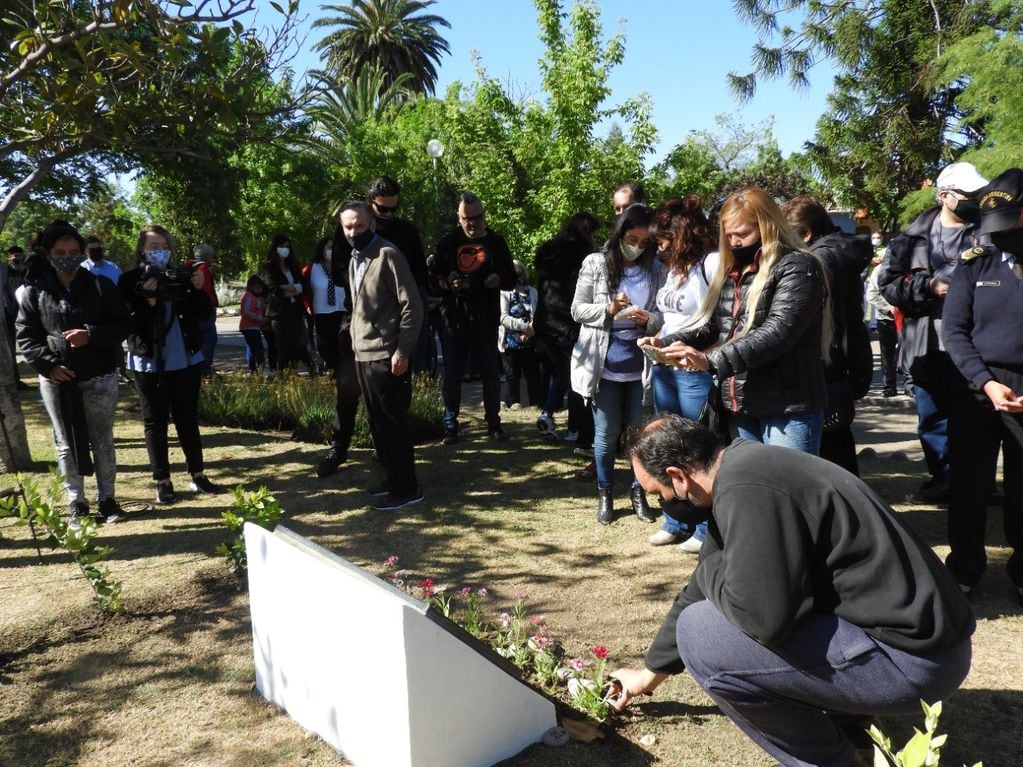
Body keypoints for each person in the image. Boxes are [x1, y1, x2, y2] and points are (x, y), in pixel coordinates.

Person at [611, 414, 976, 767]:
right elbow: (702, 586)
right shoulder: (744, 467)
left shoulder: (747, 489)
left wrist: (709, 567)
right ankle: (852, 722)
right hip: (929, 645)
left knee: (700, 633)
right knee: (709, 608)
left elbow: (762, 619)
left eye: (657, 493)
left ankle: (834, 759)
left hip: (916, 663)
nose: (663, 505)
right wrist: (650, 673)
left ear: (678, 477)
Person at [648, 187, 829, 455]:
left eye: (742, 234)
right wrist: (666, 343)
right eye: (729, 235)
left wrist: (710, 361)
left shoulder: (797, 266)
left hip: (788, 406)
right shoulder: (733, 270)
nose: (734, 242)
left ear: (768, 226)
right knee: (752, 490)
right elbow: (714, 326)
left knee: (787, 491)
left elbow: (777, 333)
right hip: (740, 404)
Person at [878, 162, 988, 504]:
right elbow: (888, 283)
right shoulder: (910, 239)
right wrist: (929, 286)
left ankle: (980, 485)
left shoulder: (988, 232)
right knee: (933, 419)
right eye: (968, 194)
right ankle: (944, 480)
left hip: (977, 346)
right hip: (926, 345)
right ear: (945, 196)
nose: (975, 199)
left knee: (978, 420)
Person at [15, 220, 132, 526]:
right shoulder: (35, 291)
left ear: (81, 252)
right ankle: (75, 502)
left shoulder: (100, 285)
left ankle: (107, 500)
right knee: (64, 442)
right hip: (56, 380)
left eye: (72, 251)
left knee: (102, 439)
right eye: (59, 251)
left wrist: (90, 335)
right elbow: (26, 334)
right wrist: (49, 365)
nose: (66, 256)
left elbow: (123, 323)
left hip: (99, 377)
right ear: (48, 253)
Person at [942, 167, 1023, 603]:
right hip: (977, 391)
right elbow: (954, 331)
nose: (1000, 235)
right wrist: (985, 382)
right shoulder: (977, 264)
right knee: (969, 488)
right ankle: (965, 570)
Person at [571, 203, 664, 525]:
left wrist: (649, 319)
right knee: (606, 435)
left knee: (640, 436)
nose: (636, 247)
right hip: (604, 366)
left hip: (640, 367)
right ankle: (606, 492)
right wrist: (608, 310)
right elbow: (577, 310)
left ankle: (638, 492)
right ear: (620, 233)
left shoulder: (655, 268)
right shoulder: (596, 263)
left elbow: (665, 315)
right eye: (632, 239)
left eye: (643, 242)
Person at [119, 224, 223, 503]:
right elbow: (126, 323)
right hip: (149, 360)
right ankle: (162, 480)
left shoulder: (181, 275)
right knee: (155, 421)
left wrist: (198, 290)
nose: (159, 252)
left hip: (185, 355)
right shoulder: (129, 280)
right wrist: (148, 301)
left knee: (187, 417)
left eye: (164, 247)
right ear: (141, 249)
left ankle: (198, 475)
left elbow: (202, 313)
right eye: (153, 247)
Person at [340, 200, 425, 510]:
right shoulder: (354, 259)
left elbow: (412, 305)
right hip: (362, 354)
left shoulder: (387, 254)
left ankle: (408, 487)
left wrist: (402, 350)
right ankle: (392, 478)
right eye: (348, 226)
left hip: (387, 354)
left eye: (359, 226)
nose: (353, 232)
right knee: (378, 424)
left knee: (393, 423)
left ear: (371, 225)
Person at [645, 196, 719, 551]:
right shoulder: (672, 268)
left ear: (683, 234)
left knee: (698, 447)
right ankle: (675, 519)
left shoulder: (711, 263)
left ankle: (705, 528)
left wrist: (677, 342)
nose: (659, 247)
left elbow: (715, 322)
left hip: (695, 368)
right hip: (665, 367)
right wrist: (656, 336)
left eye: (664, 239)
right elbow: (669, 315)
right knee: (667, 446)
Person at [783, 196, 873, 475]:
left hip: (828, 361)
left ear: (806, 233)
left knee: (830, 447)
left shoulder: (819, 260)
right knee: (838, 440)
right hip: (846, 357)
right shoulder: (841, 252)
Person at [428, 192, 516, 444]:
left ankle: (494, 424)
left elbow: (511, 277)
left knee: (490, 372)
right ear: (459, 217)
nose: (472, 223)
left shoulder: (496, 243)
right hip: (454, 318)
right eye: (467, 218)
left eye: (477, 217)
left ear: (484, 215)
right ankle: (450, 425)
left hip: (486, 317)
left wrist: (498, 279)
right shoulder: (447, 244)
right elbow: (431, 281)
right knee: (453, 373)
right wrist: (448, 282)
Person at [534, 212, 600, 455]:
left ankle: (548, 414)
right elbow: (581, 292)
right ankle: (578, 431)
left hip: (545, 322)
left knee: (564, 375)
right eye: (594, 233)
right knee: (578, 380)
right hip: (568, 322)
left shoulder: (549, 254)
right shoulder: (582, 255)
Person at [366, 176, 432, 374]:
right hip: (372, 308)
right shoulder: (358, 231)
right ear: (370, 202)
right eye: (383, 209)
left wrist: (404, 285)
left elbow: (421, 272)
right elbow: (342, 272)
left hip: (405, 306)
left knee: (413, 363)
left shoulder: (408, 231)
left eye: (393, 209)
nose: (388, 214)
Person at [259, 234, 316, 375]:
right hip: (279, 313)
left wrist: (292, 288)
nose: (284, 249)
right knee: (284, 345)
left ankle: (311, 369)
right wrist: (291, 289)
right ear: (275, 248)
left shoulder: (293, 265)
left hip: (295, 310)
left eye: (287, 247)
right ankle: (283, 375)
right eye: (281, 246)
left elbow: (304, 284)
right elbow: (273, 288)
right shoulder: (268, 267)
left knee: (300, 343)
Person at [498, 260, 541, 408]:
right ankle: (513, 402)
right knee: (511, 375)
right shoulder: (504, 293)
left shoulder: (533, 292)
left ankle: (535, 402)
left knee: (533, 374)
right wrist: (524, 327)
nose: (517, 274)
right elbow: (503, 317)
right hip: (510, 341)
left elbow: (539, 316)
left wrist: (530, 332)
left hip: (531, 340)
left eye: (519, 270)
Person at [302, 236, 347, 374]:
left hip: (343, 310)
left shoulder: (343, 266)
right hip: (322, 312)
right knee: (325, 344)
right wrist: (307, 305)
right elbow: (303, 288)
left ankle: (340, 372)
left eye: (334, 248)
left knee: (342, 343)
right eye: (329, 248)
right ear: (322, 250)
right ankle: (330, 368)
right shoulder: (312, 268)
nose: (332, 251)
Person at [865, 237, 899, 398]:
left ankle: (909, 385)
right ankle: (889, 386)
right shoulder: (879, 271)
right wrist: (888, 308)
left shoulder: (906, 268)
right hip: (885, 319)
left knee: (907, 353)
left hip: (906, 319)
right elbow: (871, 295)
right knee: (887, 354)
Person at [186, 244, 219, 375]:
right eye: (211, 256)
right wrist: (212, 305)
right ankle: (205, 367)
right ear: (206, 256)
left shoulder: (189, 266)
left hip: (193, 309)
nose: (212, 259)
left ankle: (199, 366)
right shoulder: (203, 268)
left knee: (199, 338)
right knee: (209, 338)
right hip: (204, 309)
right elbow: (206, 289)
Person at [238, 275, 267, 374]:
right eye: (257, 288)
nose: (260, 290)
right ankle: (260, 368)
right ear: (250, 287)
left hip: (253, 327)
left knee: (251, 348)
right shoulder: (249, 297)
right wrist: (260, 319)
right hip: (250, 327)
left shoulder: (253, 297)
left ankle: (253, 370)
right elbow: (247, 311)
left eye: (261, 288)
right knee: (258, 348)